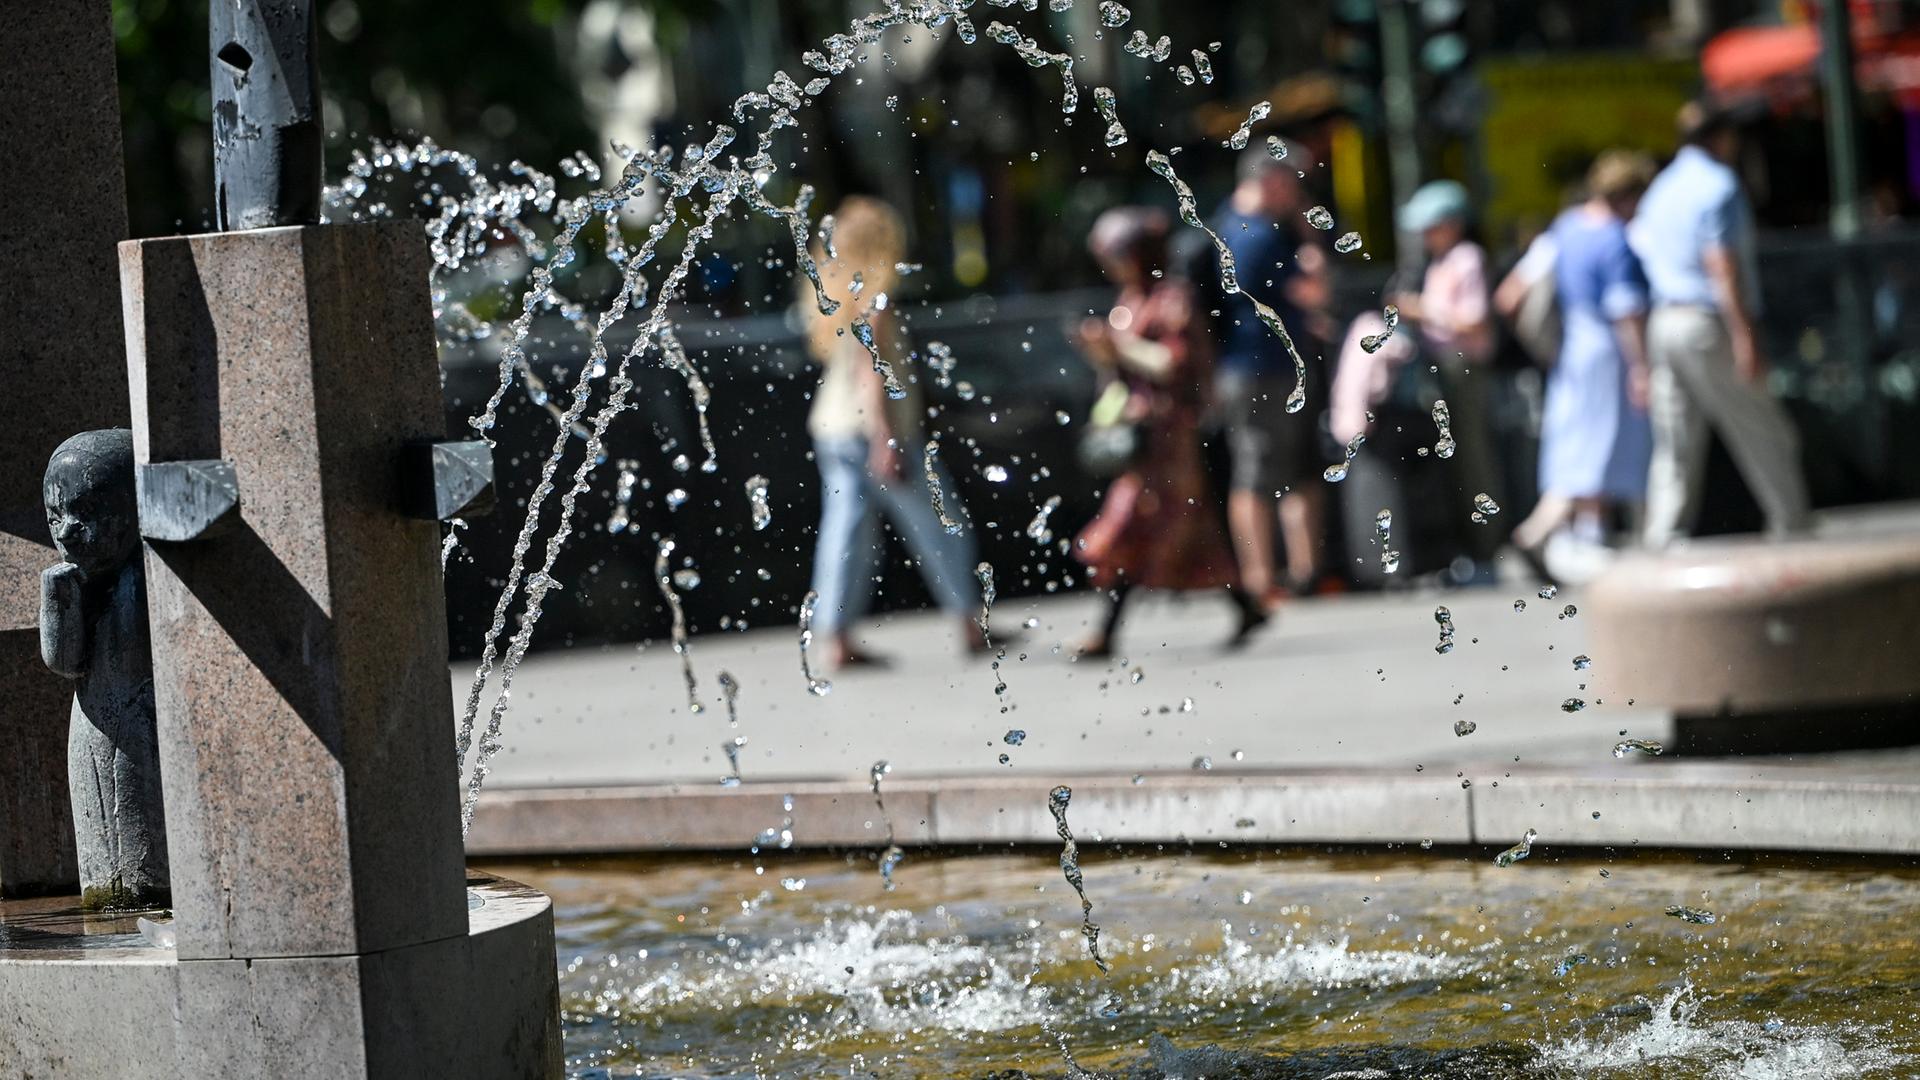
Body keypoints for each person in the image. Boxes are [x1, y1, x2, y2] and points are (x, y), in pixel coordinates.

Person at [1073, 208, 1267, 656]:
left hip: (1170, 435)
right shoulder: (1130, 298)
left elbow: (1171, 362)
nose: (1111, 265)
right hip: (1139, 434)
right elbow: (1123, 365)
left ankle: (1106, 633)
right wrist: (1101, 351)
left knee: (1130, 527)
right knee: (1181, 528)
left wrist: (1117, 345)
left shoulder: (1171, 298)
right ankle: (1242, 604)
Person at [803, 196, 983, 668]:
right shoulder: (875, 300)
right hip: (872, 432)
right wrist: (886, 439)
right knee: (941, 523)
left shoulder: (834, 296)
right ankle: (970, 622)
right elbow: (872, 374)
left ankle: (834, 637)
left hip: (833, 428)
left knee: (845, 533)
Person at [1628, 100, 1810, 545]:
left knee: (1674, 442)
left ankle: (1662, 536)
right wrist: (1745, 335)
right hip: (1706, 321)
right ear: (1721, 137)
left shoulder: (1660, 188)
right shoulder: (1718, 184)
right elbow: (1721, 266)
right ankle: (1792, 523)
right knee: (1760, 427)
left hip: (1663, 320)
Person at [1502, 150, 1658, 581]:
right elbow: (1627, 310)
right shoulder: (1615, 239)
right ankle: (1561, 534)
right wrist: (1642, 367)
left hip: (1570, 350)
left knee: (1580, 443)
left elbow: (1510, 295)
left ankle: (1569, 534)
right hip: (1608, 352)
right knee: (1601, 444)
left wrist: (1539, 344)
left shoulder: (1564, 229)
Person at [1209, 148, 1333, 605]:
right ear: (1272, 181)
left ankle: (1290, 573)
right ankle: (1268, 577)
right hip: (1264, 369)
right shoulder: (1258, 235)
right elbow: (1314, 292)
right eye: (1293, 183)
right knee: (1261, 472)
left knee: (1279, 468)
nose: (1298, 194)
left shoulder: (1225, 225)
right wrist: (1310, 241)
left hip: (1251, 367)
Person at [1388, 179, 1502, 575]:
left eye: (1431, 227)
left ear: (1453, 224)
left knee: (1472, 459)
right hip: (1444, 366)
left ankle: (1487, 549)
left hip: (1463, 367)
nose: (1425, 236)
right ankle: (1469, 548)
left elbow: (1472, 321)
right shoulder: (1439, 262)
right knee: (1452, 460)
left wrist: (1419, 310)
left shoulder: (1467, 258)